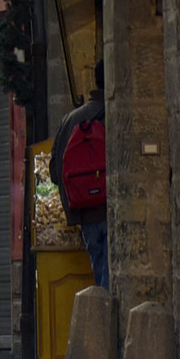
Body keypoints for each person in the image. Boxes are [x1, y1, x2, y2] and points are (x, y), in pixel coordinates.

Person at [51, 62, 108, 290]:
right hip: (112, 208)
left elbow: (55, 172)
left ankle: (100, 320)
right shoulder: (120, 113)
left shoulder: (69, 120)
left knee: (100, 273)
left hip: (85, 214)